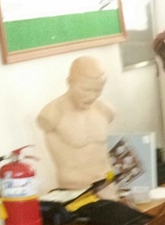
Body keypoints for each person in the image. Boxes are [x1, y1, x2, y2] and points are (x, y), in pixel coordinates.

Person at [36, 55, 117, 196]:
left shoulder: (105, 110)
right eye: (86, 90)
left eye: (98, 90)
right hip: (74, 192)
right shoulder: (52, 115)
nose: (92, 96)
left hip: (107, 187)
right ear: (69, 82)